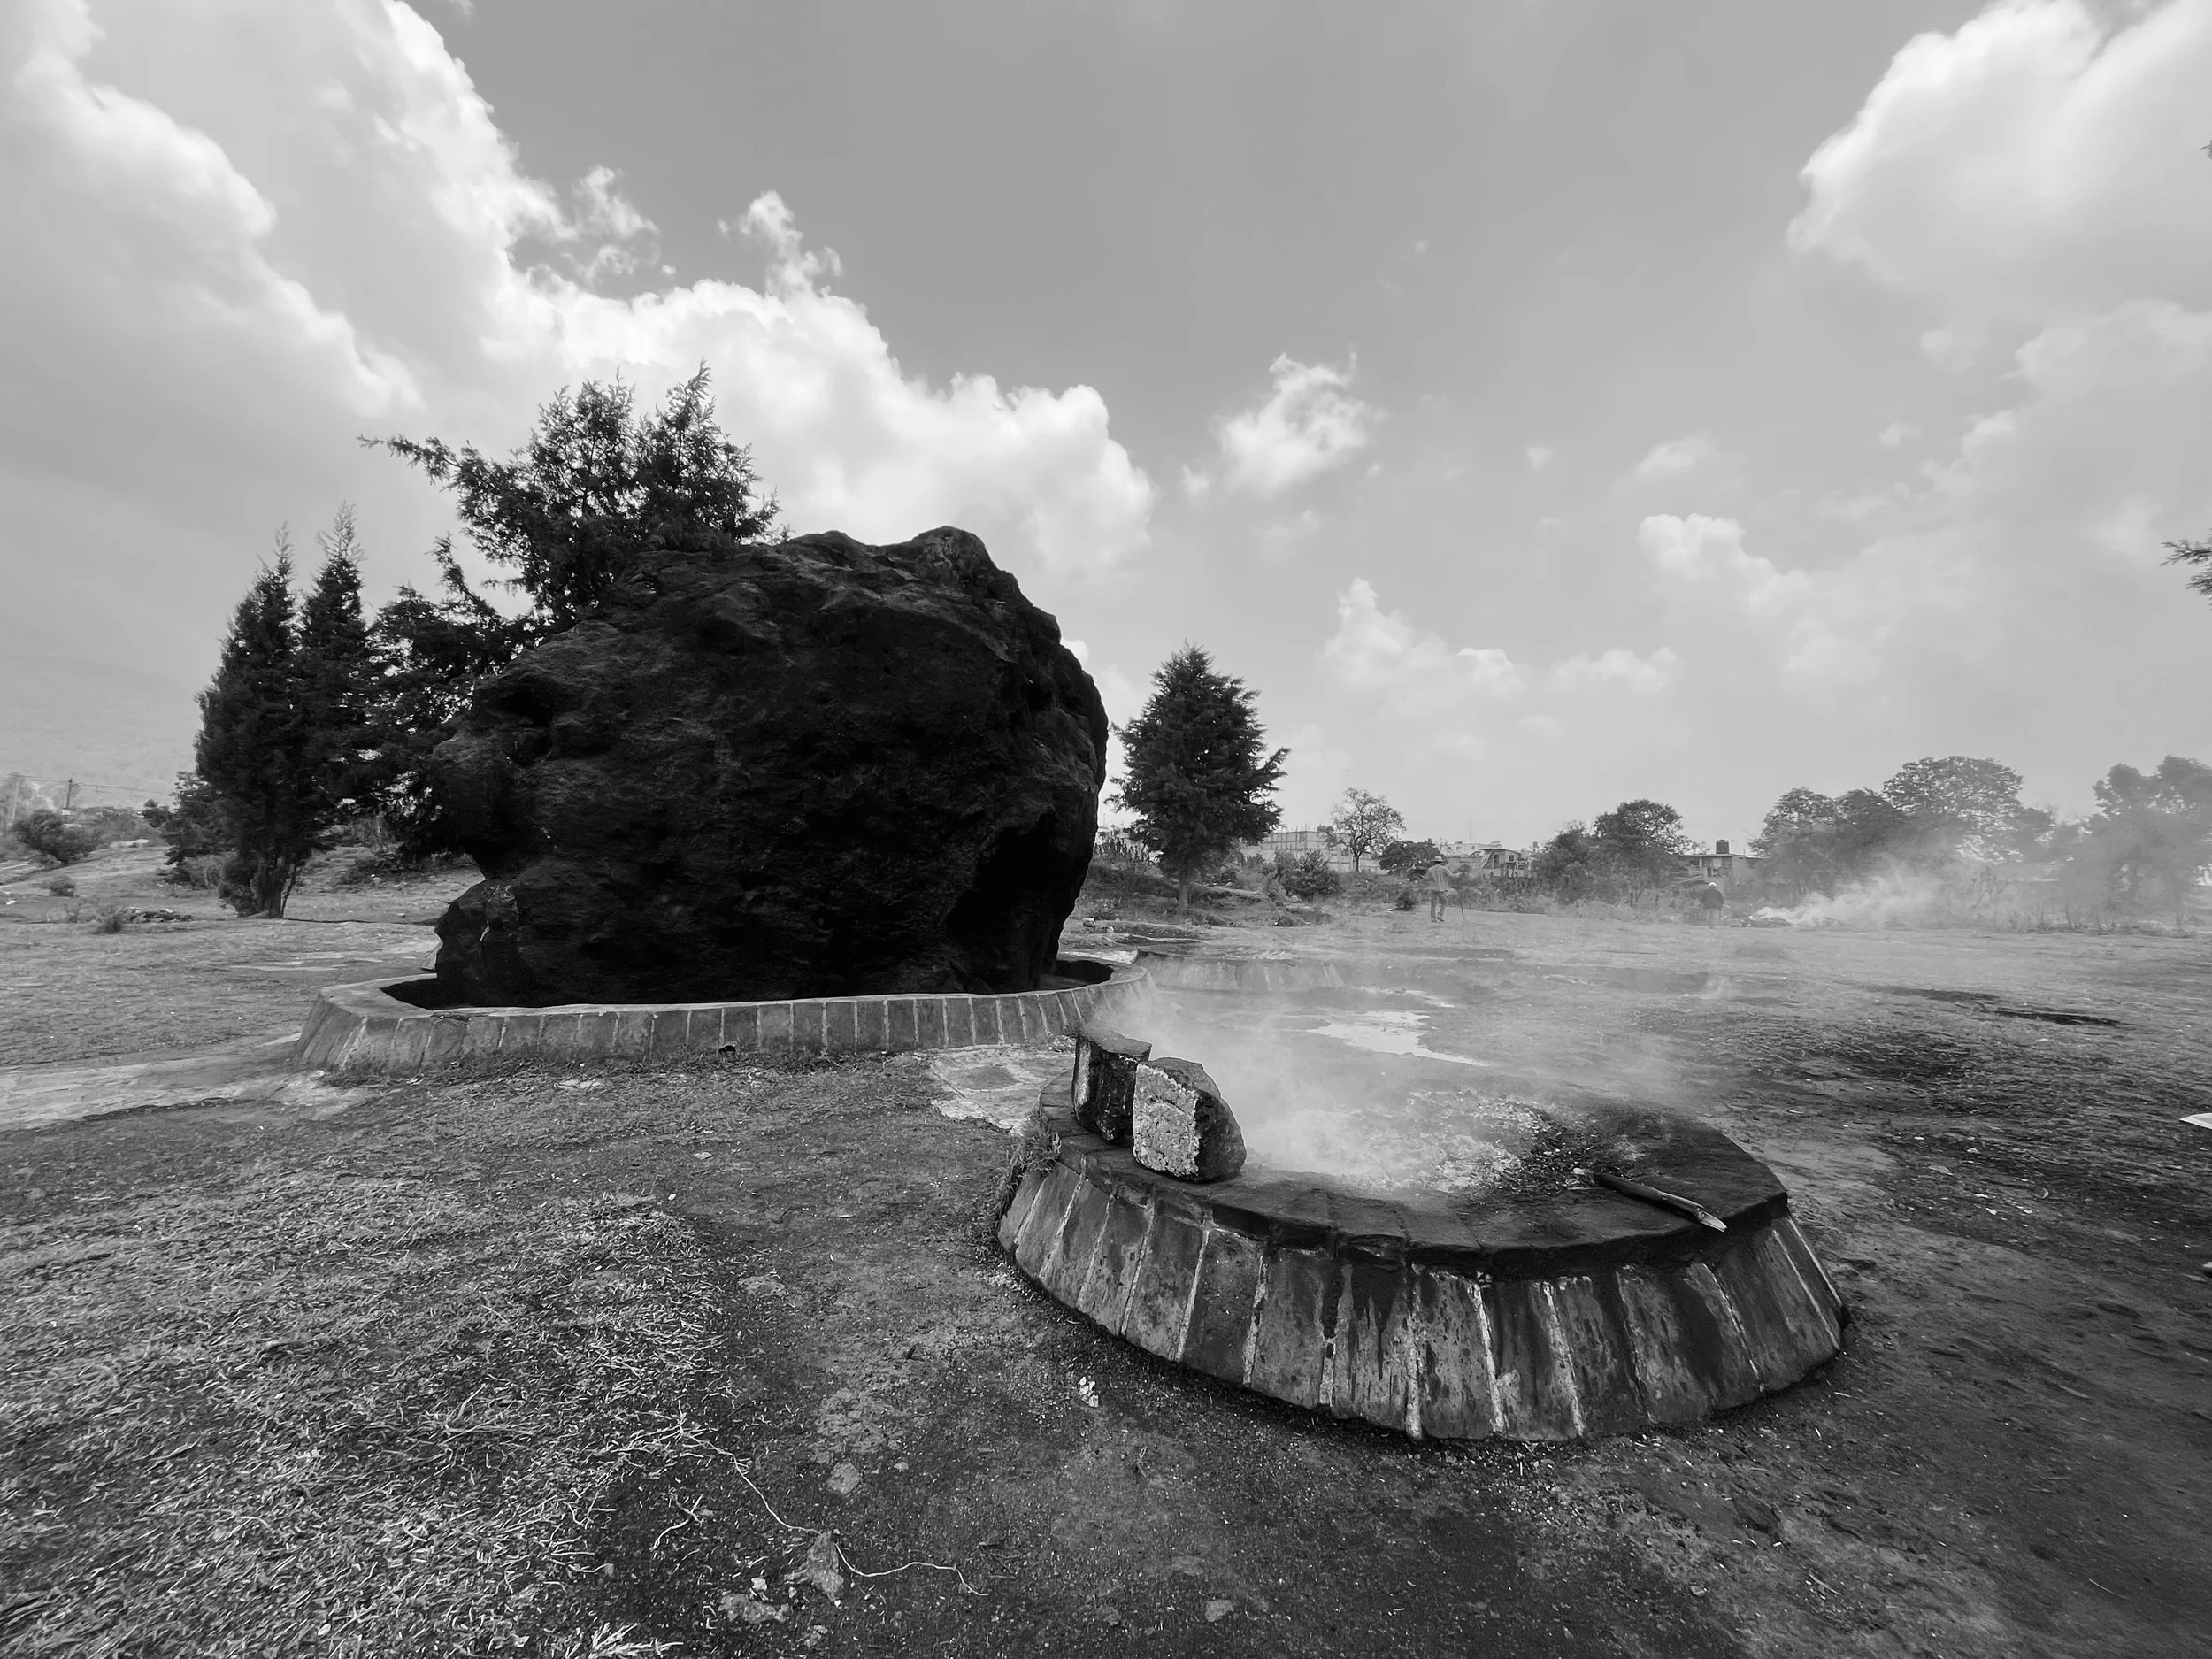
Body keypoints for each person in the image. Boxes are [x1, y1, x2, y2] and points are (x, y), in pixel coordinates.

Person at [1426, 858, 1454, 922]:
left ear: (1434, 862)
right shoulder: (1443, 869)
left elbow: (1428, 878)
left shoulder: (1430, 869)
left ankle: (1433, 918)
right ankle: (1440, 914)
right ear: (1441, 862)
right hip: (1441, 888)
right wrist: (1459, 874)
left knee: (1433, 904)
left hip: (1433, 888)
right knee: (1444, 902)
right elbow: (1451, 875)